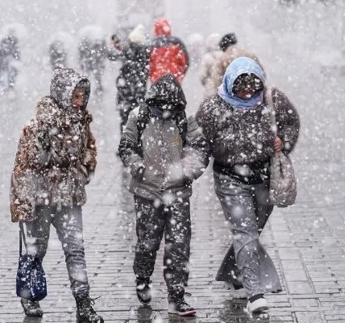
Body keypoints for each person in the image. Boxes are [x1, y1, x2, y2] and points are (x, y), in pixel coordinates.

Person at [195, 57, 300, 319]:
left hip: (263, 177)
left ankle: (234, 272)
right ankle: (255, 295)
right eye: (241, 87)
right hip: (230, 179)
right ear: (231, 83)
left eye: (252, 86)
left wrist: (283, 141)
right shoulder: (212, 107)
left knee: (252, 233)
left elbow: (290, 122)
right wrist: (190, 169)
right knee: (245, 233)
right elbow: (198, 142)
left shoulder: (271, 99)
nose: (247, 92)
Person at [9, 68, 103, 323]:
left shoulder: (81, 123)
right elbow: (24, 166)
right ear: (62, 94)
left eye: (83, 96)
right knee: (36, 250)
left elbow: (89, 153)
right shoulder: (37, 126)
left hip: (69, 197)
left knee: (76, 249)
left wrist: (82, 172)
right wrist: (23, 204)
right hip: (40, 199)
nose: (79, 101)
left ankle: (83, 303)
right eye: (75, 95)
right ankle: (29, 296)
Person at [118, 74, 209, 317]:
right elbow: (126, 145)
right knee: (147, 242)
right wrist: (136, 165)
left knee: (179, 245)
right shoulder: (139, 116)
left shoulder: (185, 120)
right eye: (159, 107)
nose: (163, 112)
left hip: (177, 193)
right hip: (146, 192)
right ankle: (143, 277)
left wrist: (187, 172)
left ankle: (177, 297)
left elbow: (199, 148)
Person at [112, 25, 150, 132]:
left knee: (126, 120)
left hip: (126, 95)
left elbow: (113, 54)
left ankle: (127, 143)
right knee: (138, 120)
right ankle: (136, 143)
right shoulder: (145, 54)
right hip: (137, 95)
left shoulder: (130, 53)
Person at [148, 18, 190, 85]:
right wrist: (180, 75)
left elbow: (148, 64)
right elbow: (186, 62)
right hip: (175, 80)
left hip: (156, 80)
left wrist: (152, 77)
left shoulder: (152, 45)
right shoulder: (177, 42)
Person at [78, 28, 107, 94]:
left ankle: (97, 87)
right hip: (90, 61)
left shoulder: (100, 42)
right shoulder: (86, 42)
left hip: (93, 62)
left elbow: (104, 53)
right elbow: (81, 53)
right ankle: (90, 88)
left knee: (95, 75)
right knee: (91, 75)